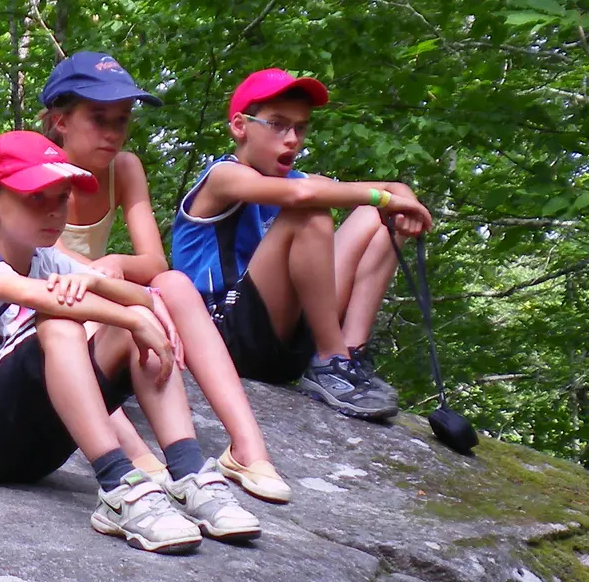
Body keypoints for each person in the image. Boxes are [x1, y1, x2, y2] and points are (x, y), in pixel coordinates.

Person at [0, 131, 255, 553]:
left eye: (60, 199)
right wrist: (130, 313)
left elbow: (139, 294)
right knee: (62, 323)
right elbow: (44, 298)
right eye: (36, 198)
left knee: (127, 329)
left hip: (34, 452)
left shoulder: (49, 258)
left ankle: (187, 474)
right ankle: (117, 485)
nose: (55, 211)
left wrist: (100, 283)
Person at [40, 52, 290, 508]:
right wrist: (112, 283)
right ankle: (135, 459)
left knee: (175, 283)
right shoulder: (34, 170)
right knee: (74, 325)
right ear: (61, 121)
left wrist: (117, 263)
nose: (113, 132)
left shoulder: (125, 167)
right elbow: (45, 264)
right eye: (99, 118)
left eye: (121, 120)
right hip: (50, 304)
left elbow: (153, 259)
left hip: (100, 294)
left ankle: (247, 448)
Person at [170, 68, 434, 420]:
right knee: (310, 214)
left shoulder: (296, 179)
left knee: (374, 216)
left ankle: (347, 355)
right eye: (277, 124)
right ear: (240, 126)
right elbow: (304, 194)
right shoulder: (223, 176)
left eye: (300, 127)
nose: (292, 138)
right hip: (223, 339)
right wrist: (384, 197)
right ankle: (330, 360)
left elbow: (389, 190)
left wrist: (403, 201)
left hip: (280, 336)